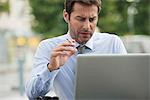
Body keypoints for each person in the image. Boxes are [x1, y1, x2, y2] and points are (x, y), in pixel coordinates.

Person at [26, 0, 127, 100]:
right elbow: (32, 94)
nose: (87, 27)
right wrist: (51, 68)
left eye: (92, 19)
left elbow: (128, 87)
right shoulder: (49, 48)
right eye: (81, 19)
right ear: (66, 16)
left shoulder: (113, 43)